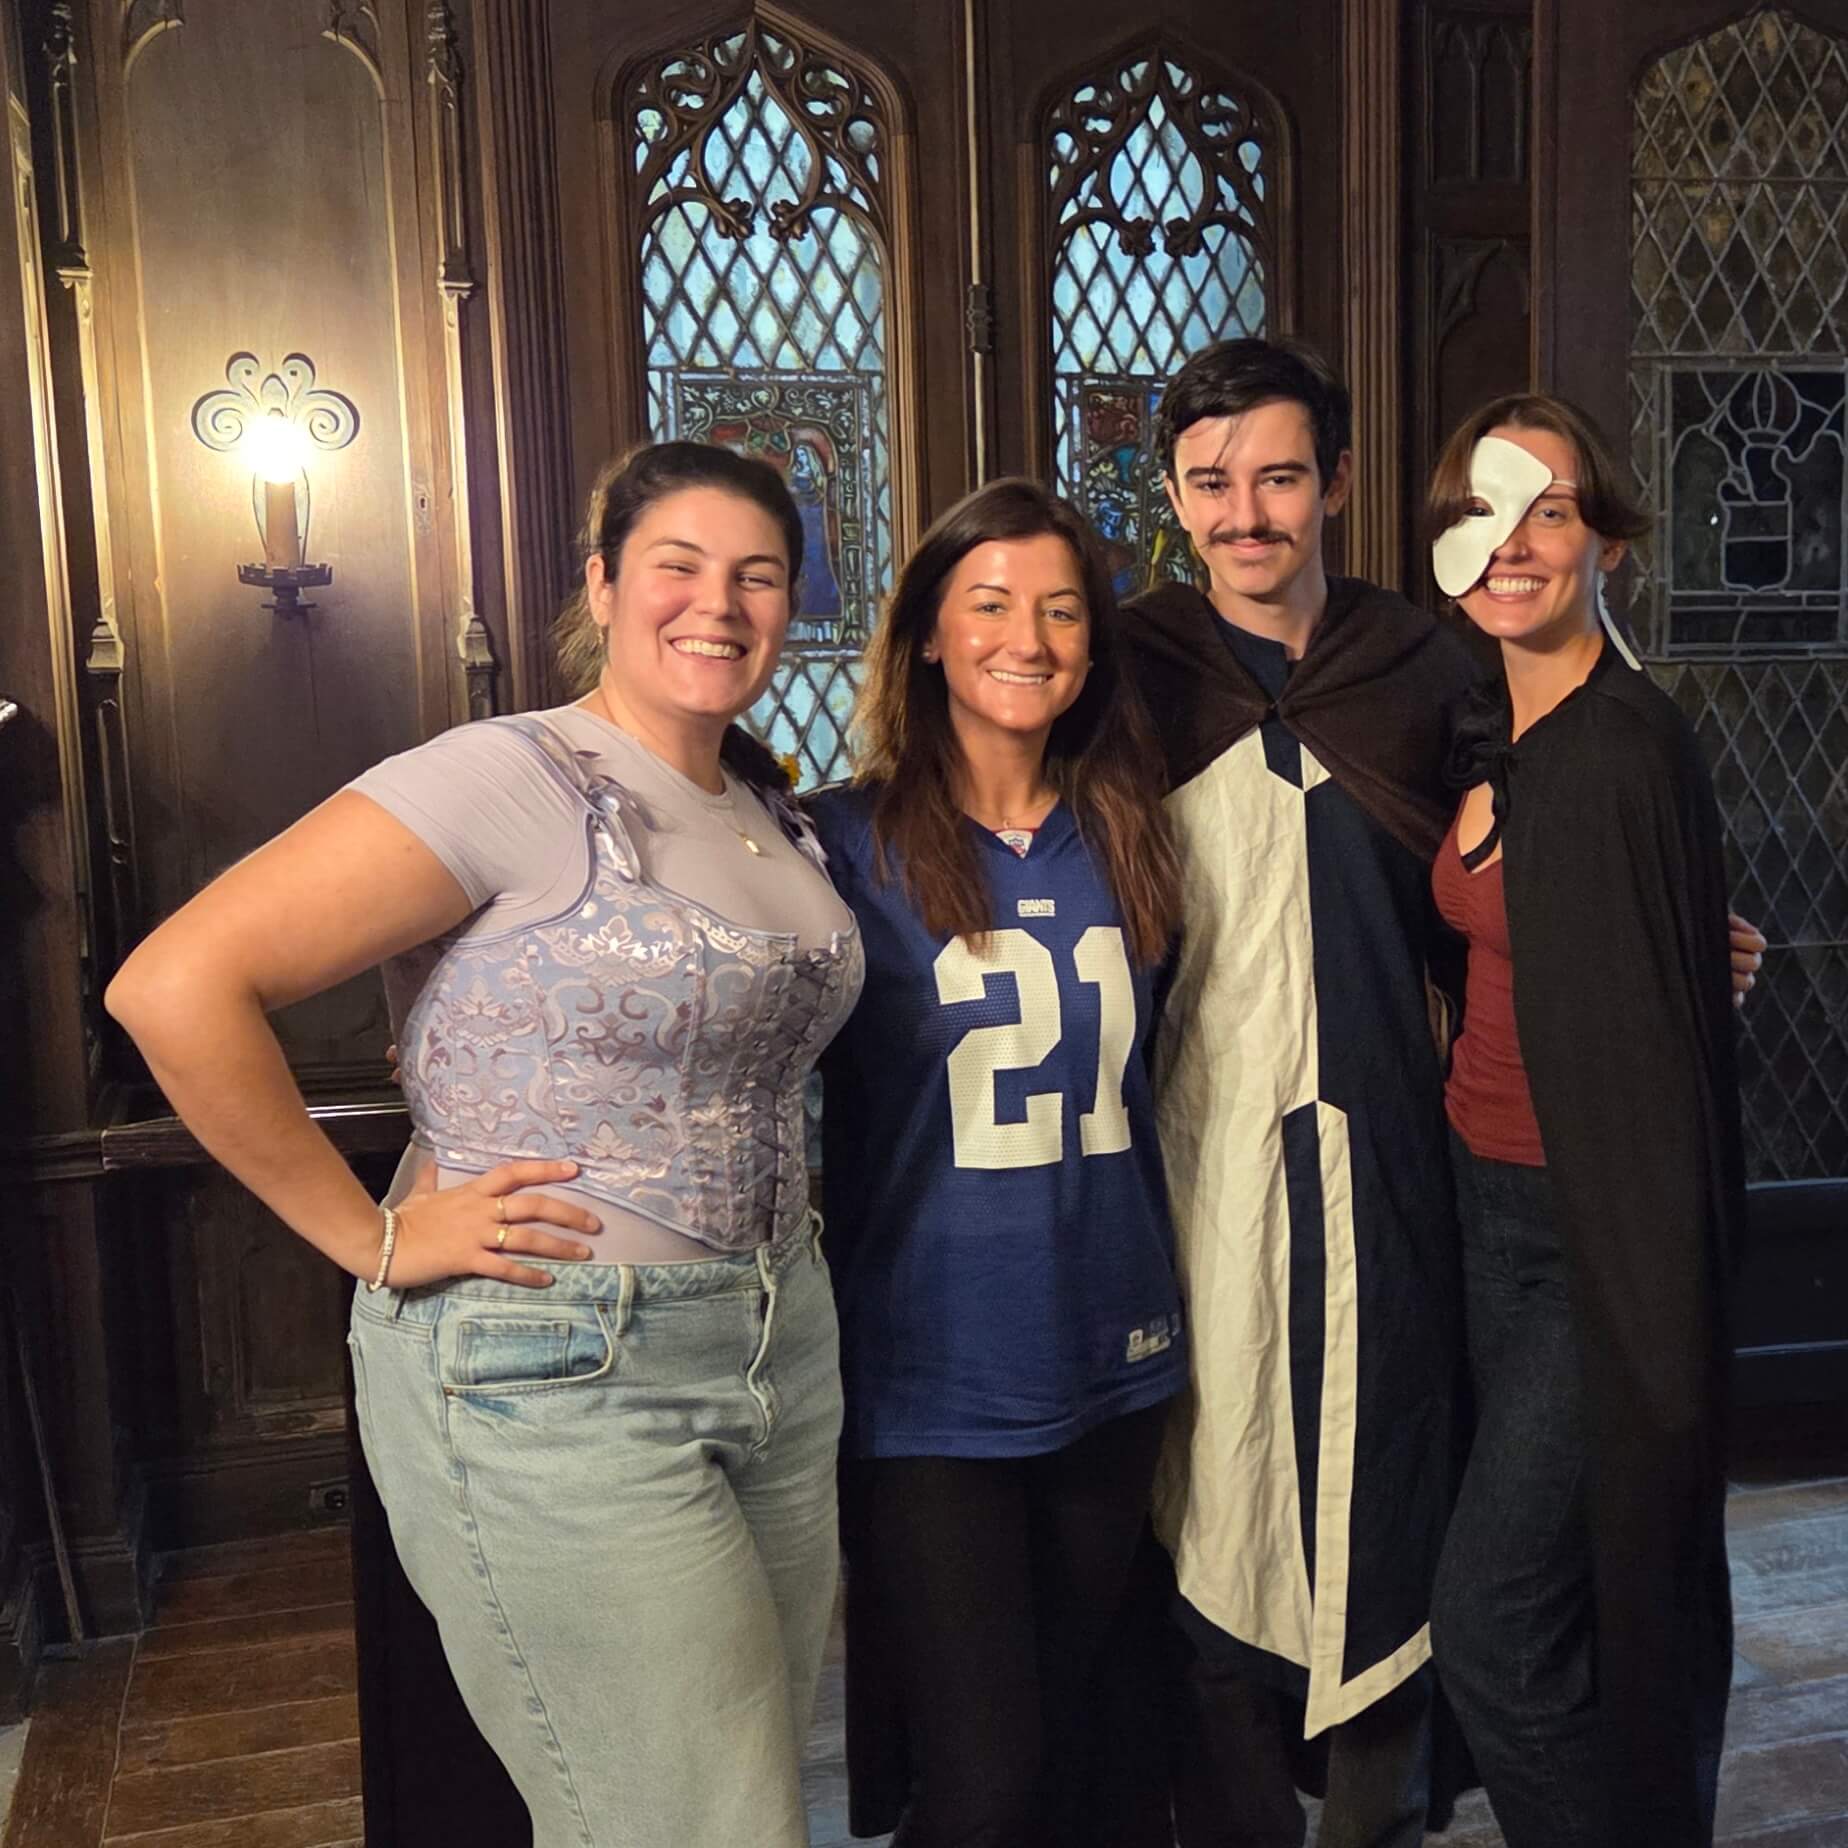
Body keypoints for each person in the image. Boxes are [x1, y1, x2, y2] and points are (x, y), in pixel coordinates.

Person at [105, 442, 864, 1848]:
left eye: (758, 575)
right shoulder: (508, 775)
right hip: (557, 1369)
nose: (721, 603)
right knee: (695, 1823)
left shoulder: (768, 808)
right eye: (678, 567)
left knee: (745, 1786)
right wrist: (372, 1236)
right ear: (603, 584)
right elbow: (173, 985)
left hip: (773, 1344)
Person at [1113, 339, 1764, 1848]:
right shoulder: (1139, 670)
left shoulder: (1426, 667)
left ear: (1336, 485)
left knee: (1440, 1528)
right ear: (1175, 499)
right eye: (1213, 483)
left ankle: (1384, 1802)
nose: (1247, 511)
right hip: (1226, 1164)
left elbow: (1575, 855)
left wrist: (1674, 943)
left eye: (1280, 475)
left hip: (1434, 1168)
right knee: (1225, 1482)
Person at [807, 478, 1187, 1848]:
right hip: (932, 1378)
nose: (1027, 637)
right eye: (989, 604)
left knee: (1095, 1742)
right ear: (922, 634)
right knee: (984, 1776)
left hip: (1117, 1347)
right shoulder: (842, 847)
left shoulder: (1138, 829)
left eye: (1061, 610)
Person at [1425, 396, 1741, 1844]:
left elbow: (1654, 1077)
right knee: (1558, 1616)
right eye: (1486, 512)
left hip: (1582, 1240)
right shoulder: (1499, 733)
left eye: (1550, 509)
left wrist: (1658, 1320)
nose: (1514, 542)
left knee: (1494, 1621)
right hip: (1483, 1211)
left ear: (1604, 537)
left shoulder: (1618, 745)